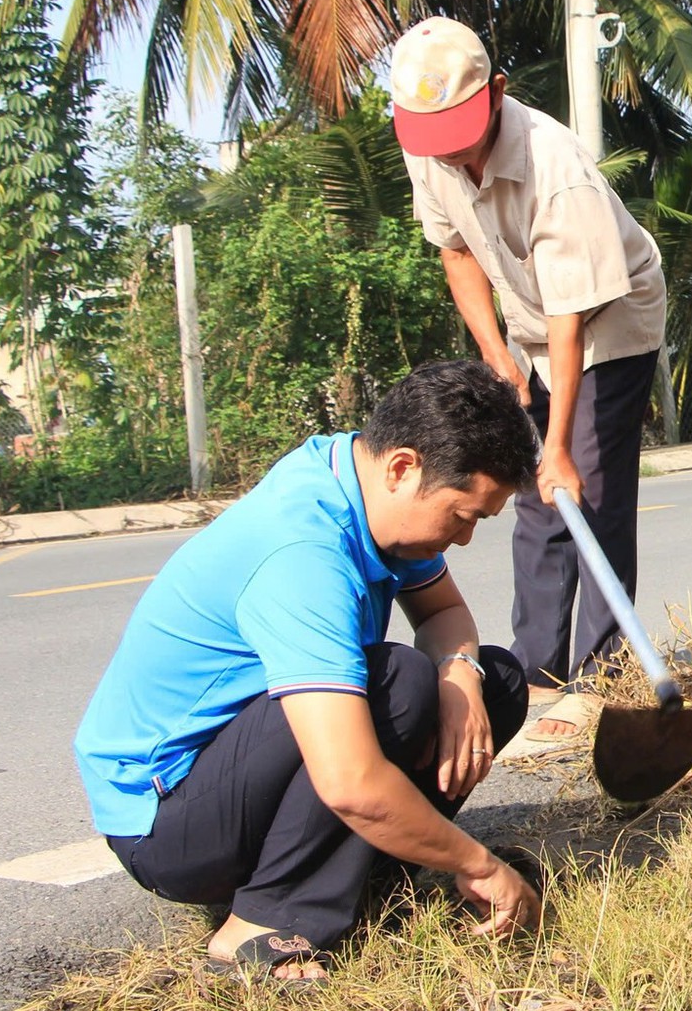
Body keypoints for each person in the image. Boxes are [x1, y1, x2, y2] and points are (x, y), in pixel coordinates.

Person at [73, 362, 543, 983]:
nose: (463, 540)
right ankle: (260, 924)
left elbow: (446, 613)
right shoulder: (301, 553)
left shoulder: (356, 477)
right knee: (398, 685)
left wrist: (459, 677)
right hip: (166, 826)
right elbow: (350, 782)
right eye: (464, 516)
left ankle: (360, 883)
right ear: (404, 468)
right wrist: (480, 864)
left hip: (242, 775)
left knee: (495, 680)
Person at [389, 17, 668, 742]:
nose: (446, 148)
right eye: (432, 135)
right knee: (530, 496)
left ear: (498, 94)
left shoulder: (557, 171)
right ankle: (540, 668)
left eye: (457, 129)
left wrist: (562, 446)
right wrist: (499, 358)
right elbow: (456, 254)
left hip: (607, 319)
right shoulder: (431, 145)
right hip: (527, 320)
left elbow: (573, 318)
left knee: (587, 487)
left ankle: (604, 675)